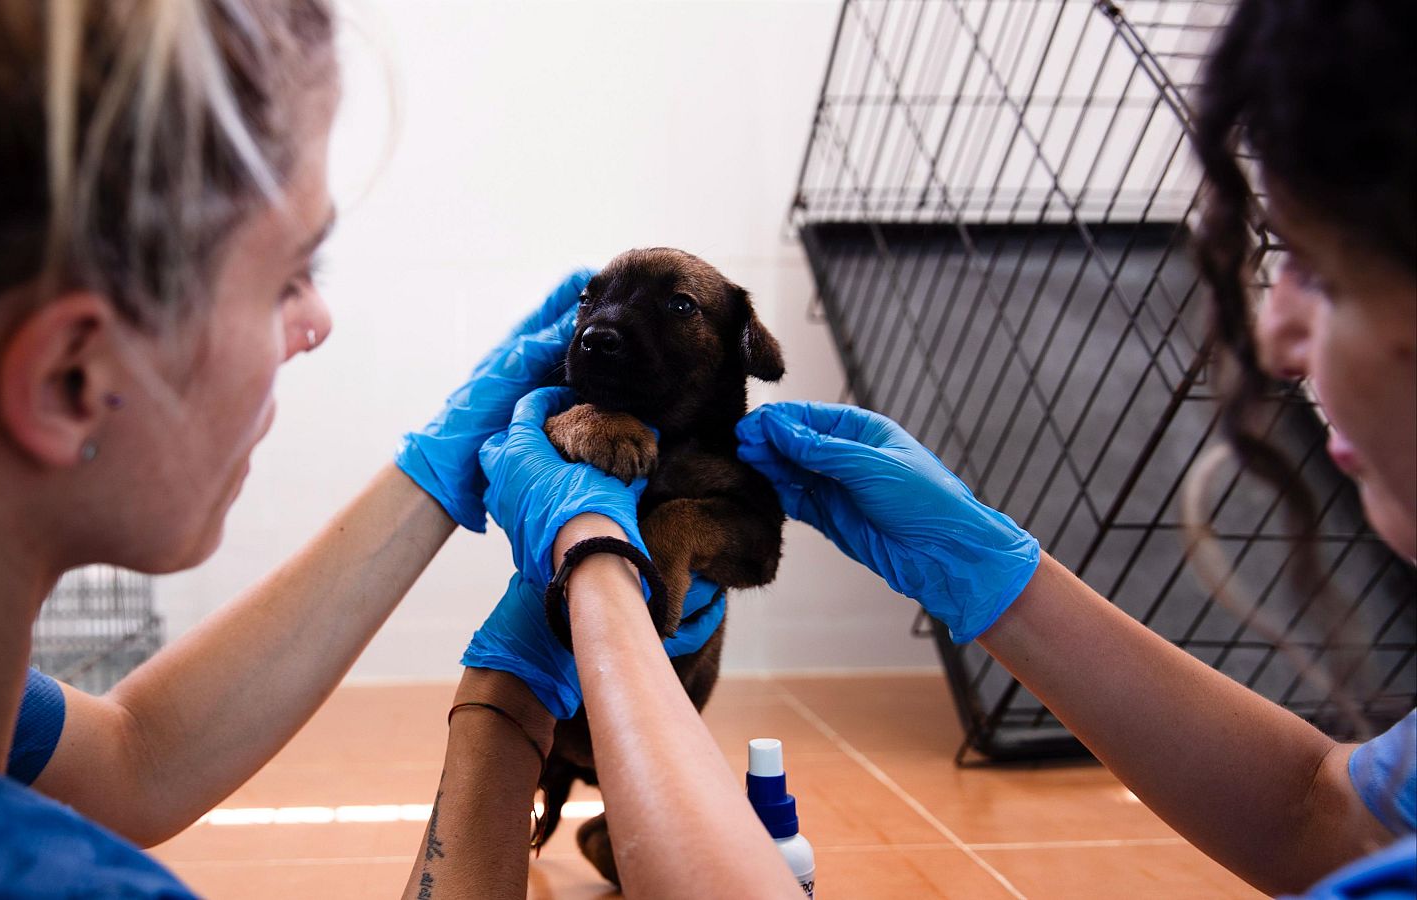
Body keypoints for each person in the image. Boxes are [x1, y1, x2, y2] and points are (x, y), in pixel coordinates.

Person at [417, 1, 1415, 897]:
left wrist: (562, 610)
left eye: (1317, 268)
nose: (1272, 337)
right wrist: (1002, 581)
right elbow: (1324, 815)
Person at [0, 0, 616, 894]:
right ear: (69, 382)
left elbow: (132, 759)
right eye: (287, 278)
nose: (315, 321)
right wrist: (509, 699)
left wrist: (437, 472)